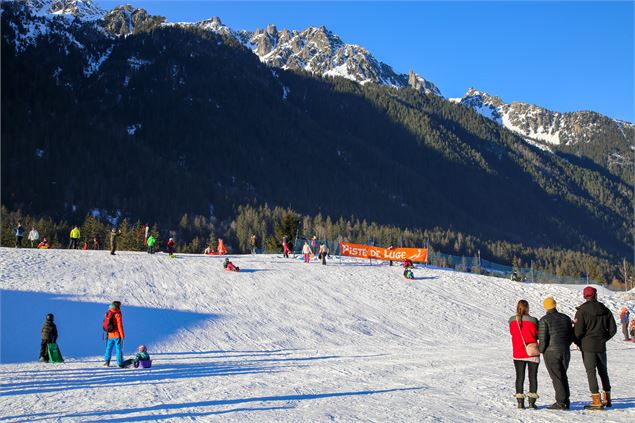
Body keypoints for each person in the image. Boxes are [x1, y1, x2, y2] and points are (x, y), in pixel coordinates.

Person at [574, 286, 617, 409]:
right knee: (603, 372)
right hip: (601, 346)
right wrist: (604, 339)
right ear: (596, 295)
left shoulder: (581, 311)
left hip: (587, 346)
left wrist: (578, 342)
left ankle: (596, 401)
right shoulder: (605, 310)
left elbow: (577, 332)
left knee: (591, 373)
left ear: (585, 296)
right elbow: (613, 329)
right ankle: (607, 399)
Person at [538, 297, 574, 410]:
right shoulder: (566, 318)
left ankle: (560, 402)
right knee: (563, 375)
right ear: (555, 305)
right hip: (565, 350)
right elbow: (571, 336)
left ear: (546, 307)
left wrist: (541, 350)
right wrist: (566, 345)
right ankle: (566, 400)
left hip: (551, 352)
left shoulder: (544, 320)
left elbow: (543, 339)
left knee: (557, 377)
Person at [508, 299, 540, 409]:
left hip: (518, 353)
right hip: (532, 353)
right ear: (528, 308)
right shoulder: (534, 320)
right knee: (533, 377)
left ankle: (520, 403)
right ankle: (532, 402)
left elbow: (513, 333)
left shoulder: (512, 321)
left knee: (519, 377)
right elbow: (537, 335)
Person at [103, 301, 125, 367]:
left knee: (108, 348)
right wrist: (122, 335)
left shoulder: (108, 312)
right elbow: (120, 326)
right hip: (117, 335)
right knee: (118, 349)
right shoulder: (117, 314)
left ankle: (107, 362)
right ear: (118, 306)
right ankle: (120, 363)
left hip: (109, 334)